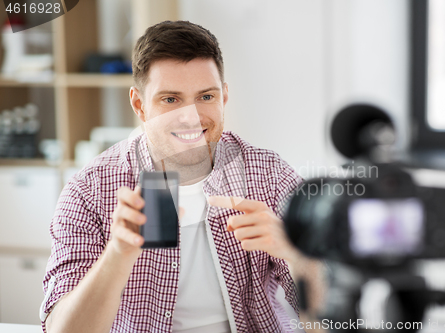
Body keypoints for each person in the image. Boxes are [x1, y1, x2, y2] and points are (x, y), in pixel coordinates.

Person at [40, 20, 313, 333]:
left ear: (224, 97)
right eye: (170, 99)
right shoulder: (90, 190)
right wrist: (118, 253)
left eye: (205, 97)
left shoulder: (269, 174)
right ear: (139, 105)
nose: (191, 117)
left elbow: (330, 322)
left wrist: (298, 255)